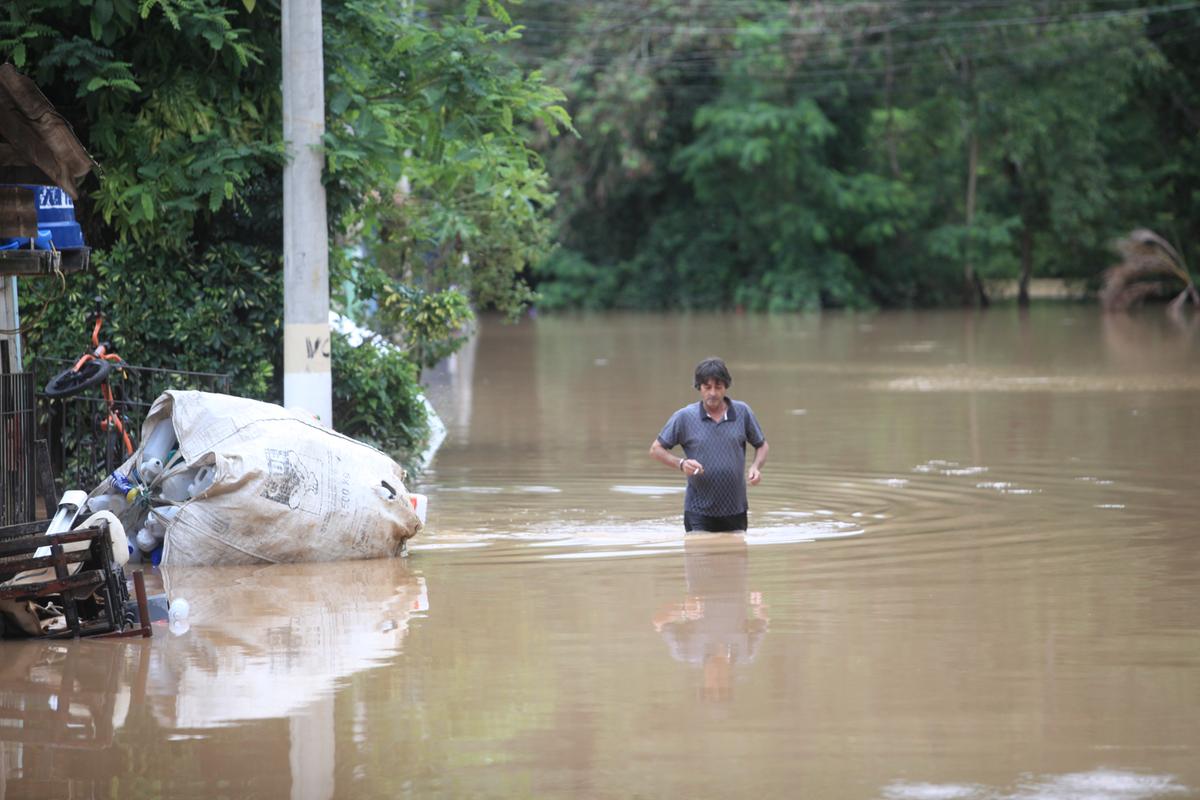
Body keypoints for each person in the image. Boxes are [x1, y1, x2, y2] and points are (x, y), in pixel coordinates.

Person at [649, 357, 769, 533]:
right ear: (699, 388)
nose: (712, 393)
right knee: (700, 555)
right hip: (698, 511)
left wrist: (756, 467)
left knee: (737, 558)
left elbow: (762, 445)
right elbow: (655, 450)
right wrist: (681, 464)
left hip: (736, 509)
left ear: (726, 387)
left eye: (718, 387)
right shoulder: (684, 417)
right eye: (707, 387)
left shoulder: (742, 412)